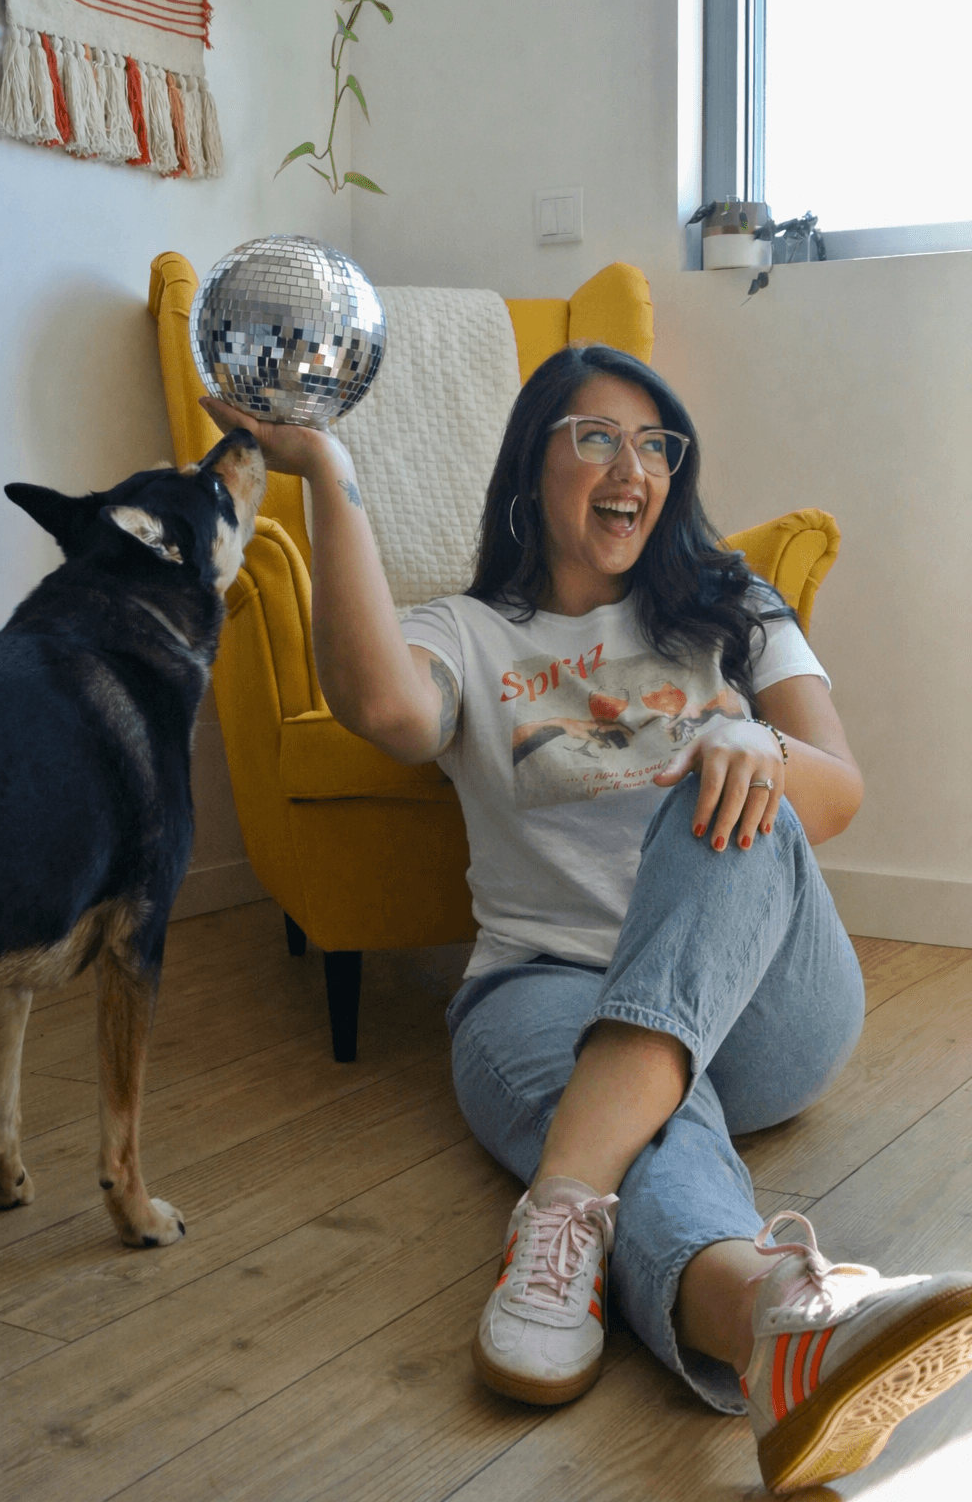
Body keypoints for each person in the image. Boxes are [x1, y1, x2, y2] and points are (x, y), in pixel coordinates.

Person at [202, 343, 972, 1492]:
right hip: (541, 991)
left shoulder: (732, 608)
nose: (635, 466)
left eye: (656, 445)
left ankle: (557, 1206)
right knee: (654, 1130)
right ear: (532, 468)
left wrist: (749, 741)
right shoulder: (465, 631)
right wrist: (324, 469)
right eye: (596, 437)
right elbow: (377, 704)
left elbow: (842, 791)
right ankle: (775, 1323)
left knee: (730, 781)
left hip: (765, 1008)